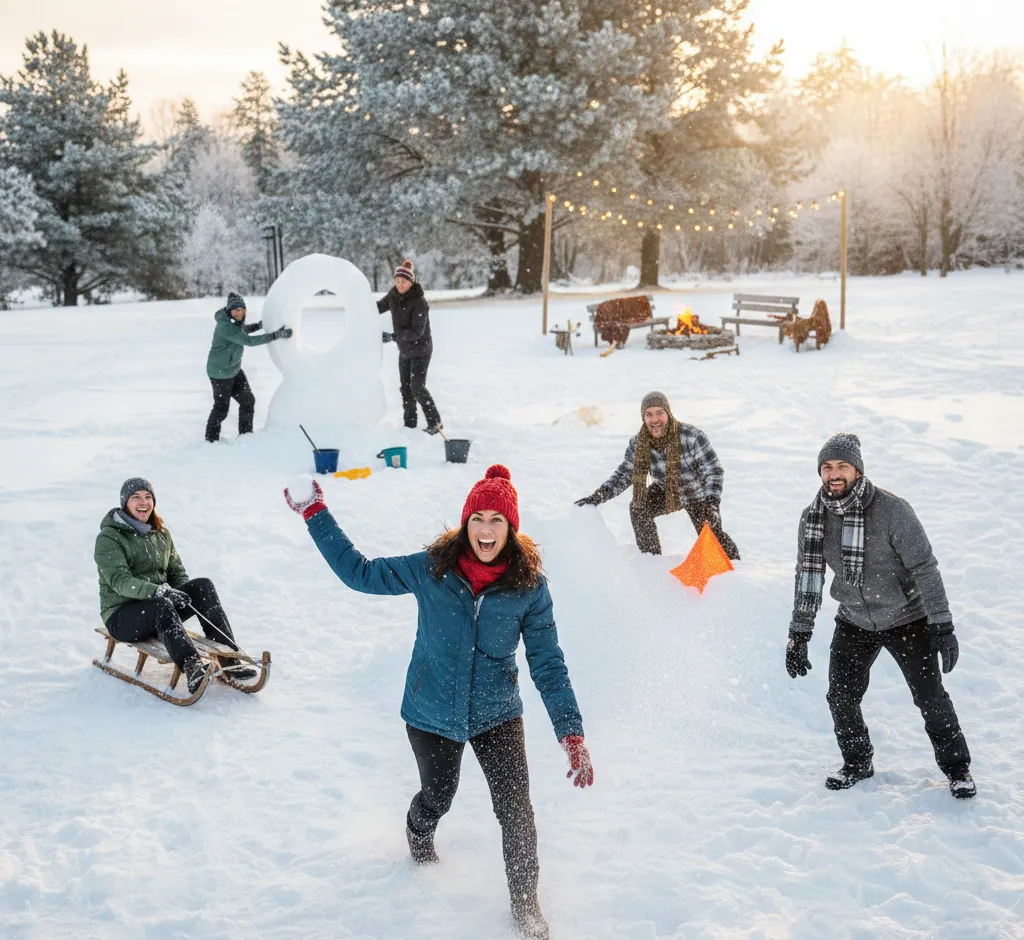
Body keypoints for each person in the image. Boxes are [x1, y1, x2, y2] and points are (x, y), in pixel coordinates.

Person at [284, 465, 592, 940]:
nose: (485, 530)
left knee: (517, 811)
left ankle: (526, 907)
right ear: (465, 522)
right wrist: (315, 513)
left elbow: (548, 663)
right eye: (477, 519)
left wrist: (570, 730)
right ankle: (418, 832)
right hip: (431, 709)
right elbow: (361, 573)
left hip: (497, 711)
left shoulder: (529, 586)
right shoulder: (432, 568)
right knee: (437, 797)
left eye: (496, 520)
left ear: (511, 528)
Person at [786, 433, 975, 798]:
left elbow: (925, 568)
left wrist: (942, 623)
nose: (833, 474)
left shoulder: (892, 510)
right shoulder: (814, 518)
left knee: (930, 697)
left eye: (841, 466)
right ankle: (857, 762)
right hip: (854, 620)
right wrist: (799, 632)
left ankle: (957, 769)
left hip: (907, 618)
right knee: (840, 697)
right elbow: (808, 574)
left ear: (857, 470)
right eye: (826, 467)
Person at [95, 477, 256, 694]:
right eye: (136, 497)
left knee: (202, 586)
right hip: (122, 616)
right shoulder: (109, 537)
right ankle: (192, 666)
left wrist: (182, 593)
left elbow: (176, 573)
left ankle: (228, 659)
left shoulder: (160, 534)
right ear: (125, 503)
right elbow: (119, 581)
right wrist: (156, 591)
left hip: (160, 608)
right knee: (160, 604)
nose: (143, 502)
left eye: (148, 497)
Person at [574, 390, 739, 559]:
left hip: (698, 494)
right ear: (643, 418)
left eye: (659, 413)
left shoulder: (691, 436)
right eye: (649, 414)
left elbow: (713, 471)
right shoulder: (639, 443)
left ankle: (734, 566)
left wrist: (712, 503)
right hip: (666, 490)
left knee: (712, 535)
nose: (655, 420)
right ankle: (651, 559)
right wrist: (600, 495)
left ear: (668, 413)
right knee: (639, 507)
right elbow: (625, 473)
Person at [205, 291, 292, 442]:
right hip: (220, 374)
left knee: (248, 401)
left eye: (242, 309)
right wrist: (276, 335)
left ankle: (245, 436)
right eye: (236, 310)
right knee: (221, 409)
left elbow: (243, 330)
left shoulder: (231, 321)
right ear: (229, 311)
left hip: (234, 370)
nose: (239, 313)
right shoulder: (226, 326)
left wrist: (259, 325)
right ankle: (210, 440)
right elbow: (249, 341)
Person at [377, 259, 444, 434]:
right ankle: (410, 424)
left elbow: (417, 332)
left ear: (411, 282)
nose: (400, 285)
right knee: (405, 387)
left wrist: (393, 337)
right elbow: (377, 307)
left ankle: (435, 423)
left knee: (417, 387)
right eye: (397, 281)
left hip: (421, 350)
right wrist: (359, 307)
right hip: (405, 350)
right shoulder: (393, 295)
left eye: (403, 282)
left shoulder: (419, 302)